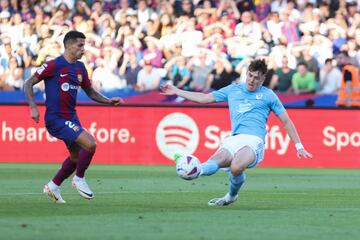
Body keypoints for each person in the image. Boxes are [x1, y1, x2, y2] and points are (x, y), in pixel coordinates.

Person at [160, 59, 312, 206]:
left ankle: (231, 196)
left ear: (263, 79)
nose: (252, 80)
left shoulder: (269, 95)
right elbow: (205, 98)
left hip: (254, 141)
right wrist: (176, 91)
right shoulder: (233, 89)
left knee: (236, 167)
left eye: (256, 78)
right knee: (216, 160)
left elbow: (286, 121)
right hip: (234, 138)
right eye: (250, 75)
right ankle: (194, 169)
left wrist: (299, 146)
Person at [24, 30, 124, 203]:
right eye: (80, 45)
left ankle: (53, 185)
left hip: (72, 117)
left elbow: (90, 92)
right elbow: (28, 83)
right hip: (56, 119)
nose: (83, 49)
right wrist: (33, 107)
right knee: (90, 143)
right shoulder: (53, 65)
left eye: (84, 45)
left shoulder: (80, 68)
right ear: (68, 45)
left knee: (76, 157)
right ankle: (79, 179)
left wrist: (109, 101)